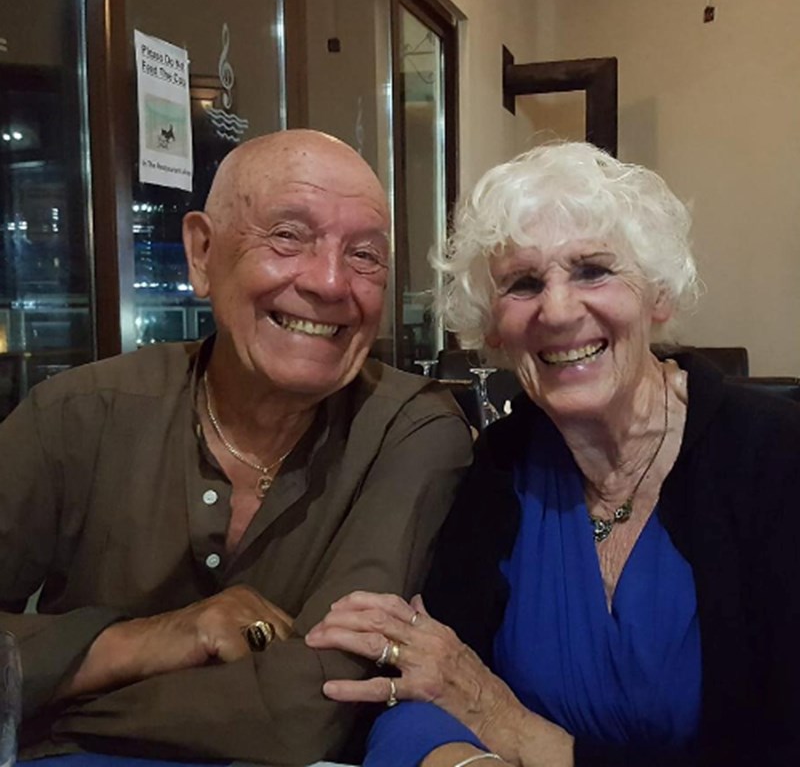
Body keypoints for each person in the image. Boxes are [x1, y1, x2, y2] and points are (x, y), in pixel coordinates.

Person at [306, 142, 800, 767]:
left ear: (658, 296)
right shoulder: (500, 467)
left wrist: (519, 731)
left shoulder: (776, 458)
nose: (559, 311)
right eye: (524, 283)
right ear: (492, 327)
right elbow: (427, 686)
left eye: (593, 270)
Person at [0, 130, 473, 765]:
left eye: (365, 255)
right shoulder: (78, 414)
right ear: (202, 253)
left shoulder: (408, 431)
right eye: (288, 237)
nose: (331, 282)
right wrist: (146, 641)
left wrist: (41, 699)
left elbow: (313, 706)